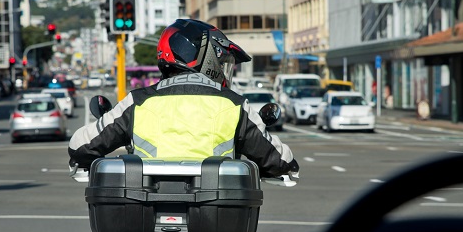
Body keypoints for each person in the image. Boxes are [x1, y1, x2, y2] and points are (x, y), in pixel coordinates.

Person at [68, 18, 299, 178]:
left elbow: (79, 145)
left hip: (143, 219)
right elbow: (280, 161)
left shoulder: (138, 101)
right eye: (223, 62)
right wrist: (286, 167)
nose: (224, 70)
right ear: (206, 58)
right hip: (217, 222)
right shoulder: (234, 105)